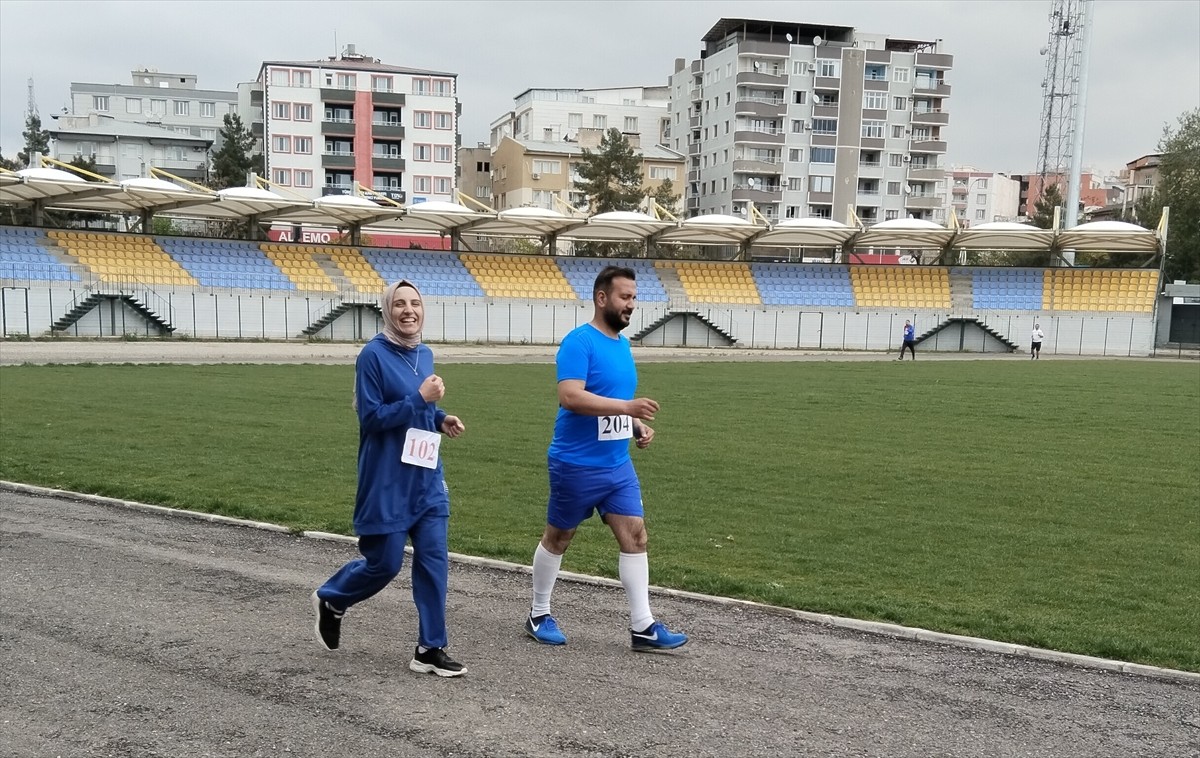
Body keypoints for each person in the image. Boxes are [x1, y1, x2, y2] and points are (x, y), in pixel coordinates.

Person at [524, 265, 688, 652]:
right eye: (625, 297)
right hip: (575, 464)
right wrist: (628, 406)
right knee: (559, 537)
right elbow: (571, 397)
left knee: (635, 535)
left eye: (634, 297)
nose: (632, 305)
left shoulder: (622, 345)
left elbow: (611, 401)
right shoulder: (579, 342)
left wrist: (633, 425)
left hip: (617, 465)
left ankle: (643, 627)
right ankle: (538, 613)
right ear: (602, 298)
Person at [311, 279, 468, 678]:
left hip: (427, 477)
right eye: (400, 304)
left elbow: (420, 407)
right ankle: (332, 598)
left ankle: (430, 647)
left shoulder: (425, 353)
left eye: (415, 303)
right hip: (387, 480)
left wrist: (439, 416)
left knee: (434, 562)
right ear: (387, 310)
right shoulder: (372, 356)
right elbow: (373, 417)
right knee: (384, 564)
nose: (408, 311)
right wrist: (421, 400)